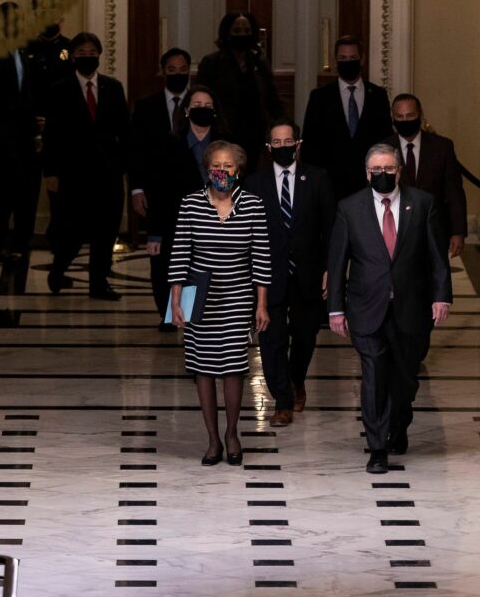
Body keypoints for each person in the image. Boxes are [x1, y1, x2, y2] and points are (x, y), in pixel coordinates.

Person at [326, 143, 452, 473]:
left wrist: (442, 297)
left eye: (389, 169)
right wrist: (336, 309)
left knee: (404, 380)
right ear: (367, 173)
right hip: (366, 309)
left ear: (399, 171)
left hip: (411, 308)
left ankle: (399, 425)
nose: (382, 175)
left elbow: (437, 258)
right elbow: (338, 263)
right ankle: (377, 446)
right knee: (374, 377)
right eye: (376, 170)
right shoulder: (349, 208)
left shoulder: (422, 204)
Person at [169, 141, 271, 466]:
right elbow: (180, 254)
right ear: (207, 168)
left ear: (237, 170)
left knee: (233, 368)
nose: (222, 171)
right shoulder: (191, 204)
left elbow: (262, 260)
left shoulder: (253, 206)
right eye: (217, 165)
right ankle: (212, 439)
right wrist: (175, 302)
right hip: (200, 298)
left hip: (238, 297)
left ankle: (231, 433)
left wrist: (261, 304)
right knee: (202, 368)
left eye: (228, 166)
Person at [243, 119, 336, 426]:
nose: (283, 148)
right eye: (276, 143)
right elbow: (250, 234)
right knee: (271, 340)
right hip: (269, 277)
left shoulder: (319, 178)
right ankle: (282, 401)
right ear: (269, 148)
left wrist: (329, 270)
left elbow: (330, 230)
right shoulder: (255, 184)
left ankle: (296, 380)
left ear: (298, 144)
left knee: (306, 336)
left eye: (288, 142)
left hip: (308, 274)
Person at [42, 32, 131, 300]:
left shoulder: (113, 87)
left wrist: (124, 165)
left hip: (108, 172)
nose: (87, 56)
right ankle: (58, 270)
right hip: (73, 173)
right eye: (81, 52)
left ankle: (98, 283)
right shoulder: (60, 89)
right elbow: (52, 135)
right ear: (73, 56)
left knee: (106, 230)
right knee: (73, 230)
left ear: (100, 55)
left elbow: (124, 130)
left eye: (92, 52)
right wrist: (51, 172)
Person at [139, 85, 228, 330]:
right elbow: (157, 191)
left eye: (208, 107)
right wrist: (154, 233)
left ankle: (203, 318)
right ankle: (172, 314)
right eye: (197, 106)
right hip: (175, 224)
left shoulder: (225, 147)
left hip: (216, 224)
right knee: (169, 272)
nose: (202, 111)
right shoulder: (168, 145)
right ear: (187, 110)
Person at [301, 35, 392, 200]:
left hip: (370, 184)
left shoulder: (378, 96)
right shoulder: (319, 97)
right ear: (335, 60)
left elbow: (386, 140)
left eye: (353, 58)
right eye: (343, 58)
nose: (348, 62)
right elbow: (310, 144)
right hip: (330, 186)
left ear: (362, 59)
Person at [195, 11, 284, 173]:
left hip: (254, 134)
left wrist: (281, 125)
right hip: (223, 134)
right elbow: (201, 96)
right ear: (227, 33)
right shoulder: (213, 63)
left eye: (246, 31)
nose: (242, 35)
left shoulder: (259, 63)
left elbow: (271, 98)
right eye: (236, 31)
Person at [384, 93, 468, 259]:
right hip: (395, 231)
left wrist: (458, 231)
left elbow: (454, 192)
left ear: (421, 115)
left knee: (436, 281)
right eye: (399, 116)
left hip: (434, 230)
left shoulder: (442, 147)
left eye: (410, 115)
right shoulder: (383, 149)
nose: (405, 121)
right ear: (393, 118)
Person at [0, 1, 40, 263]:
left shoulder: (22, 50)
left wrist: (34, 133)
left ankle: (20, 244)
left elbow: (26, 95)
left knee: (25, 192)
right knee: (1, 195)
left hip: (22, 137)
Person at [24, 0, 72, 249]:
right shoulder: (26, 48)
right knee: (29, 184)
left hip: (60, 128)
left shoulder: (71, 49)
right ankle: (23, 234)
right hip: (31, 127)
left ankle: (59, 233)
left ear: (60, 17)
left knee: (59, 185)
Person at [129, 47, 193, 220]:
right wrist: (137, 189)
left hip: (195, 190)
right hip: (156, 190)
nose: (177, 74)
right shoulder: (145, 107)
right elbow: (136, 151)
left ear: (189, 71)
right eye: (172, 70)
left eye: (183, 70)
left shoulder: (202, 104)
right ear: (163, 72)